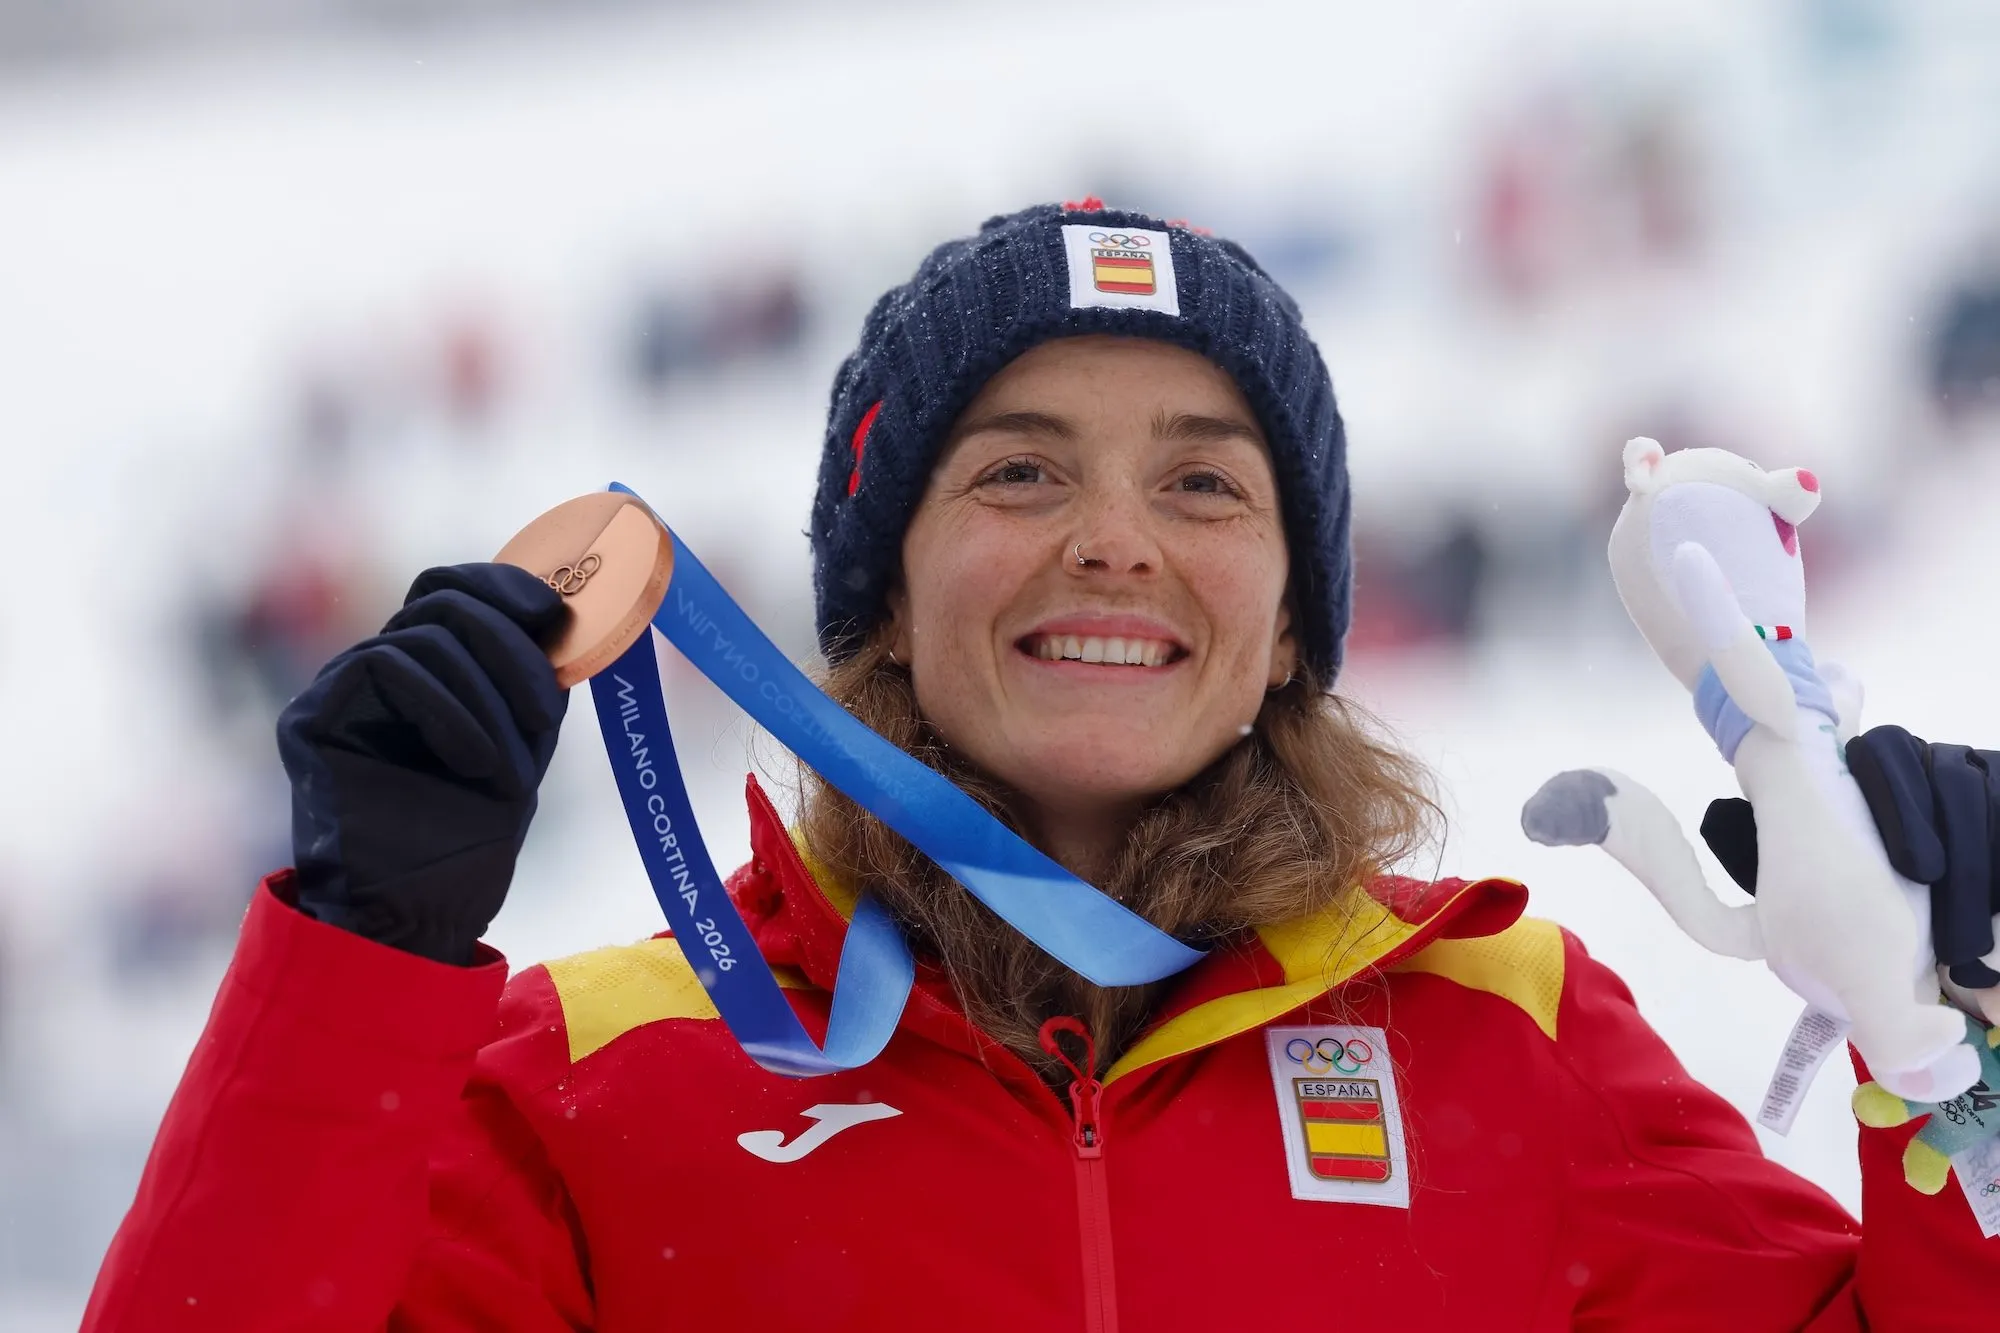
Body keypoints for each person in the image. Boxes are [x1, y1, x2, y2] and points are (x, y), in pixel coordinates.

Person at [82, 201, 1993, 1331]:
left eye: (1202, 482)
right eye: (1016, 470)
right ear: (882, 605)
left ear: (1293, 625)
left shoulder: (1509, 1039)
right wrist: (358, 963)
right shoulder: (602, 1083)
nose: (1114, 539)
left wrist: (1962, 1041)